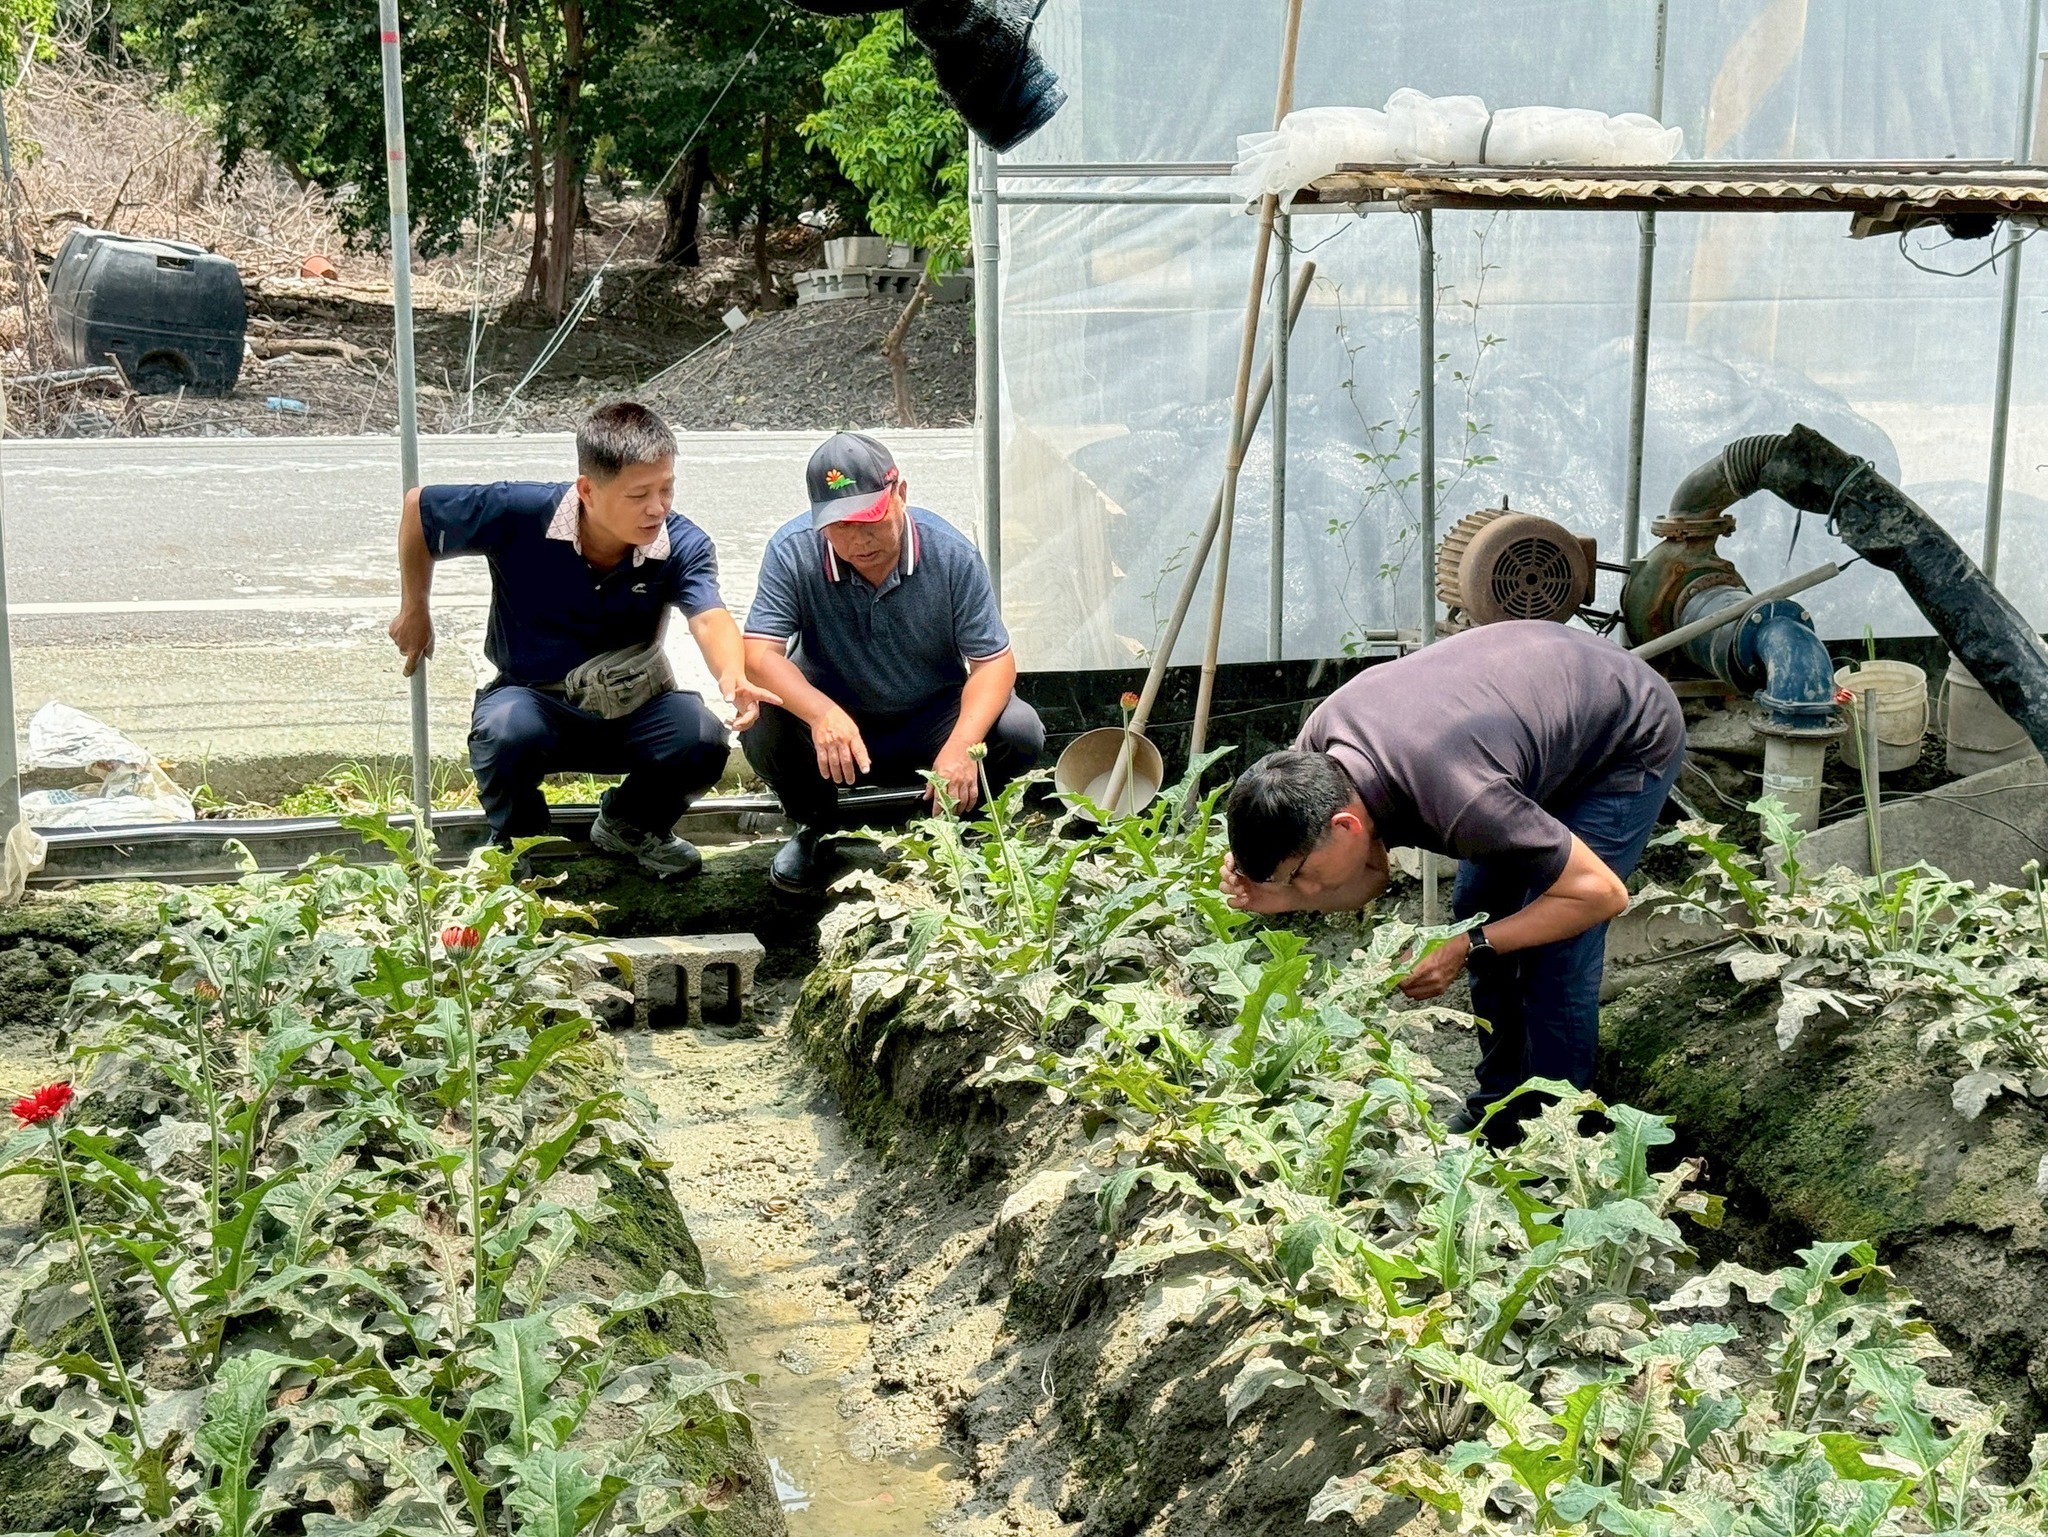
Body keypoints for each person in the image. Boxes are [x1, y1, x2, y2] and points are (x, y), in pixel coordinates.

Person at [1219, 621, 1685, 1134]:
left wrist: (1471, 946)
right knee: (1479, 908)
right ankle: (1499, 1111)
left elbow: (1601, 895)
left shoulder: (1464, 800)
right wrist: (1277, 895)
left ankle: (1561, 1142)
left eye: (1301, 876)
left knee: (1554, 952)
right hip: (1527, 721)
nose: (1306, 890)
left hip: (1622, 735)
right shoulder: (1309, 767)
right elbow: (1368, 877)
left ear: (1345, 826)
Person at [387, 401, 778, 879]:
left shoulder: (681, 542)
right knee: (504, 731)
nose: (657, 508)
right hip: (534, 701)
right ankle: (519, 843)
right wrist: (415, 608)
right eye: (639, 495)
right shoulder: (520, 512)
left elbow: (708, 615)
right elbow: (419, 511)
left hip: (633, 707)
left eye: (666, 489)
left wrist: (732, 674)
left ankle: (631, 825)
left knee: (700, 736)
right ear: (588, 491)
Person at [741, 431, 1045, 893]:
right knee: (762, 719)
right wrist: (821, 713)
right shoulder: (791, 552)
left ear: (900, 493)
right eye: (840, 525)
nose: (859, 540)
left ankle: (958, 825)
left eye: (871, 518)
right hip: (835, 728)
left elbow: (994, 662)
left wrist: (962, 743)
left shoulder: (950, 553)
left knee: (1019, 730)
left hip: (929, 721)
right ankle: (815, 828)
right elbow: (759, 655)